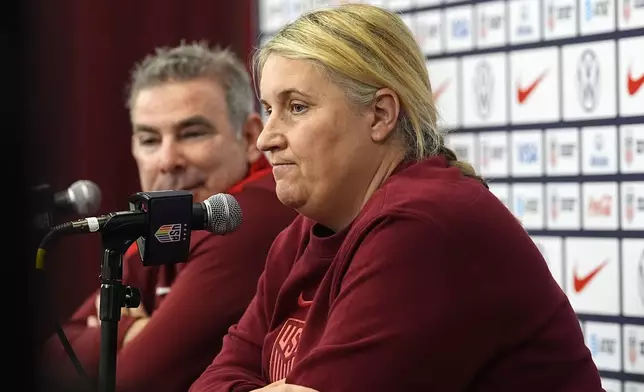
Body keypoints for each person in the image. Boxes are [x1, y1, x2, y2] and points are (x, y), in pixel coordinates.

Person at [189, 4, 602, 392]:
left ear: (381, 115)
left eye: (296, 108)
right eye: (267, 110)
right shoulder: (304, 231)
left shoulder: (424, 227)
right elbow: (214, 377)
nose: (266, 138)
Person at [38, 42, 298, 392]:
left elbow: (133, 380)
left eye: (192, 134)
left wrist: (108, 333)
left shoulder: (245, 217)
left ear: (251, 137)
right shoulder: (158, 222)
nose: (167, 160)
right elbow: (53, 355)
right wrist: (131, 331)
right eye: (149, 140)